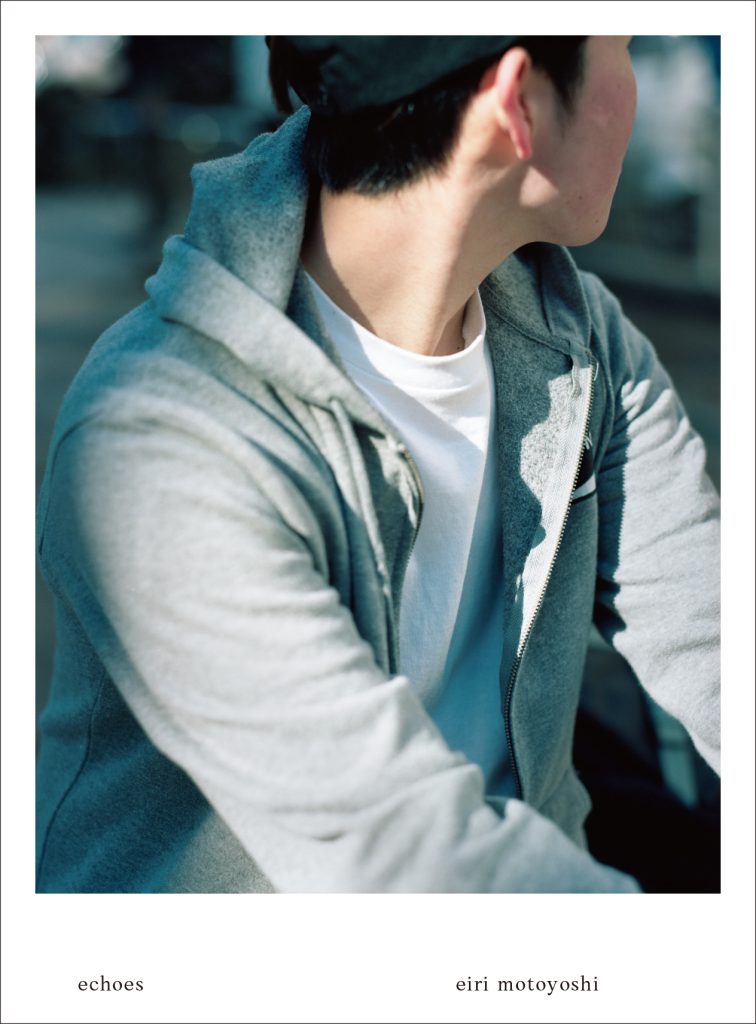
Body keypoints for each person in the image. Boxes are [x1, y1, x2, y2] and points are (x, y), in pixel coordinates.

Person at [35, 35, 720, 893]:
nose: (635, 89)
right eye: (621, 44)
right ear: (517, 102)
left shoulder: (581, 341)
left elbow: (713, 632)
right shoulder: (161, 439)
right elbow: (398, 851)